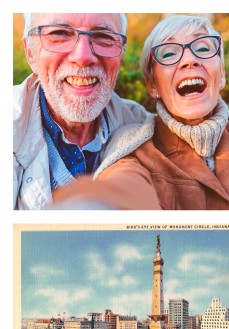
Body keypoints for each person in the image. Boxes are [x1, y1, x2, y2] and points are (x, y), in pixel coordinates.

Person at [80, 14, 229, 210]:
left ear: (221, 74)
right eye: (169, 54)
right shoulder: (132, 151)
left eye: (203, 48)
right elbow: (122, 189)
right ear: (152, 85)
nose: (189, 60)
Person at [13, 13, 159, 210]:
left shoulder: (144, 128)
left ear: (121, 53)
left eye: (103, 37)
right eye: (59, 34)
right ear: (30, 52)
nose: (82, 57)